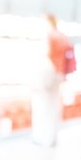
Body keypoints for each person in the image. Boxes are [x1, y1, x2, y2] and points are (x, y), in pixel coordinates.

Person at [33, 13, 70, 146]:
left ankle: (41, 137)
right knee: (54, 106)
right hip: (58, 74)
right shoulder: (63, 37)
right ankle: (51, 137)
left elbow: (45, 55)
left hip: (47, 74)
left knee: (42, 106)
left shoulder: (49, 36)